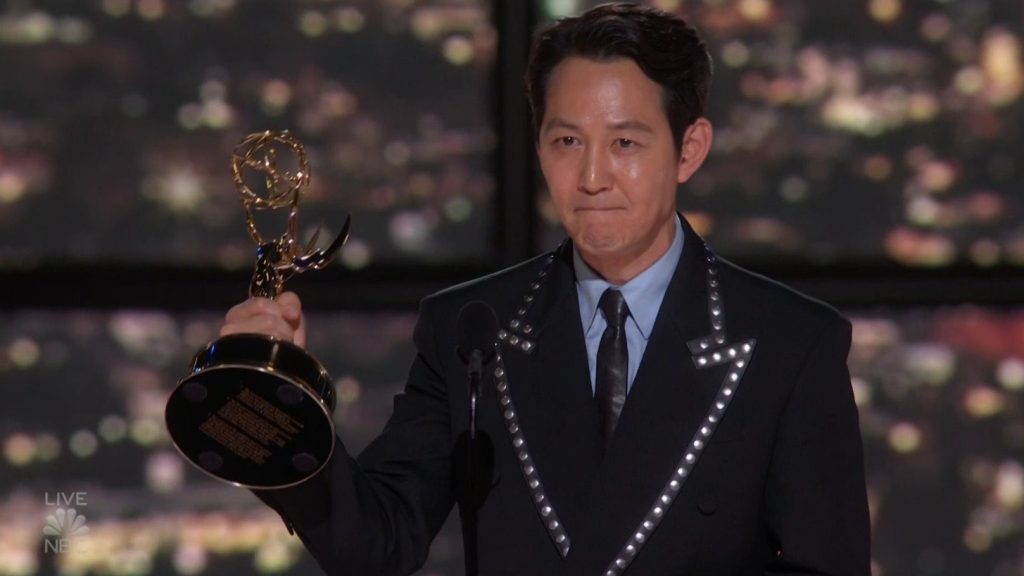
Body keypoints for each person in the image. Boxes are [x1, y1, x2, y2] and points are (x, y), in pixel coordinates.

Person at [222, 3, 870, 574]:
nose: (591, 177)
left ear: (689, 149)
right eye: (567, 141)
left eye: (624, 142)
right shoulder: (470, 329)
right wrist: (276, 409)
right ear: (538, 147)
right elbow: (379, 543)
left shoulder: (790, 344)